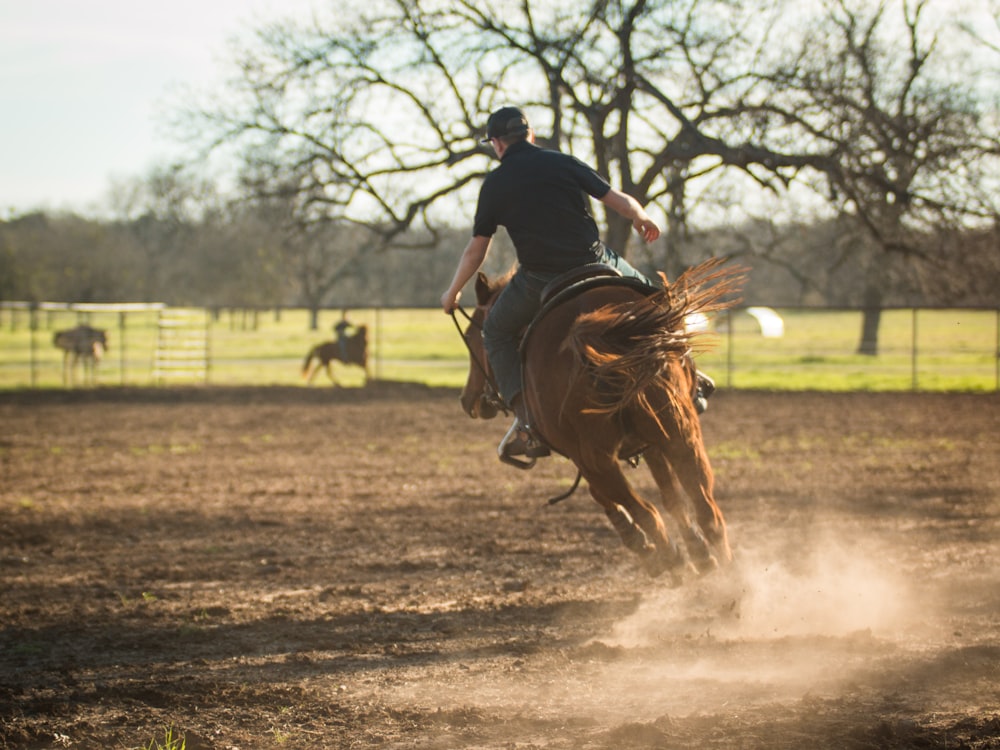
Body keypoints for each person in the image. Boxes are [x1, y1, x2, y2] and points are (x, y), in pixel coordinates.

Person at [440, 106, 662, 462]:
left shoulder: (495, 183)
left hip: (540, 278)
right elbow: (616, 198)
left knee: (494, 333)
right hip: (596, 261)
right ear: (530, 134)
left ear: (497, 144)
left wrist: (452, 292)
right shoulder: (563, 162)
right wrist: (641, 216)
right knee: (658, 300)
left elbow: (477, 249)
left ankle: (527, 424)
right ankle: (690, 376)